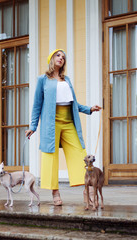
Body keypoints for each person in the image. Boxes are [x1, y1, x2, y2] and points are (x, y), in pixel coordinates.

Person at [25, 49, 101, 206]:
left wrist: (89, 109)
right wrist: (33, 126)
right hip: (50, 123)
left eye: (64, 57)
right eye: (58, 55)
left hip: (68, 121)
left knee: (80, 152)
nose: (61, 58)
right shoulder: (43, 80)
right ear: (51, 59)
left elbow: (74, 103)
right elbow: (37, 105)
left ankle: (88, 189)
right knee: (50, 156)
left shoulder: (67, 80)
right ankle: (55, 191)